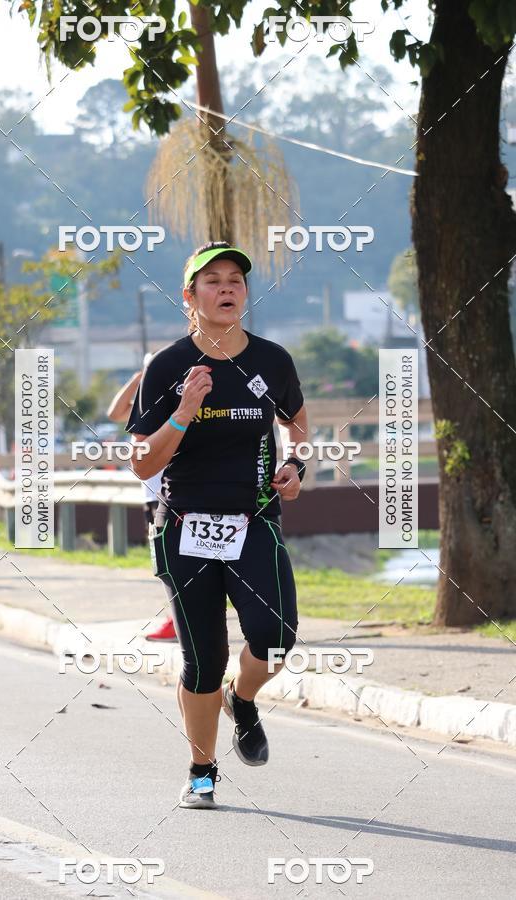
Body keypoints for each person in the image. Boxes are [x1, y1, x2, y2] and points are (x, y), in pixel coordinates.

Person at [125, 241, 307, 809]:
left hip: (254, 521)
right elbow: (142, 462)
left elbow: (298, 423)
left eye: (236, 281)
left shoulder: (272, 359)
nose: (227, 289)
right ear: (191, 296)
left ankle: (243, 700)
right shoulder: (168, 365)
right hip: (184, 527)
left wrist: (295, 465)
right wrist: (183, 410)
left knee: (276, 640)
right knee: (203, 660)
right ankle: (202, 770)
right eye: (213, 281)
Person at [107, 355, 177, 641]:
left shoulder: (172, 403)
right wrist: (138, 378)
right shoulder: (144, 405)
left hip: (170, 492)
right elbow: (114, 413)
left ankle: (178, 620)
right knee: (163, 561)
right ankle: (180, 617)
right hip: (151, 493)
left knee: (172, 561)